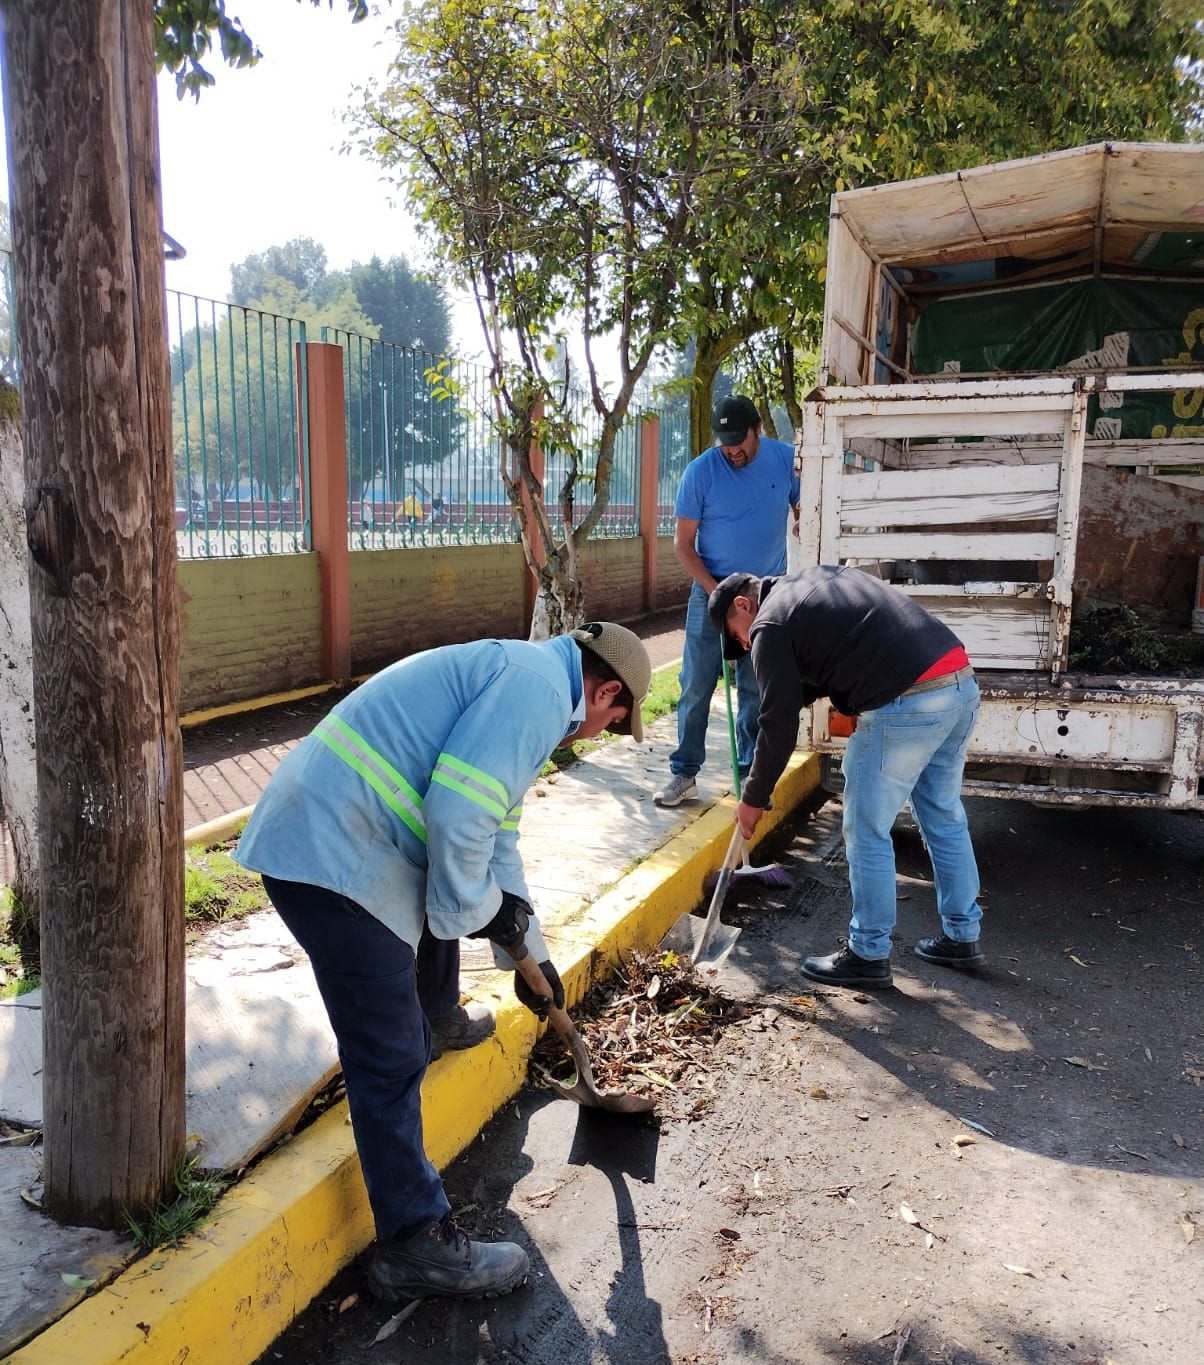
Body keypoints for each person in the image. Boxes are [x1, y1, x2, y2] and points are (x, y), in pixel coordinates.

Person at [235, 622, 652, 1302]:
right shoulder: (540, 692)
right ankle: (415, 1244)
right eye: (613, 720)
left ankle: (439, 1015)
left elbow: (496, 842)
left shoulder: (531, 681)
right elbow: (458, 818)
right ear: (605, 690)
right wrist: (486, 911)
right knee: (390, 1055)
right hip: (331, 854)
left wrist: (532, 961)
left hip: (349, 831)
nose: (601, 733)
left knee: (453, 899)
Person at [709, 567, 984, 990]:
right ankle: (961, 937)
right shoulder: (809, 586)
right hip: (959, 686)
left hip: (907, 703)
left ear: (743, 606)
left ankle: (868, 954)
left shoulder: (770, 622)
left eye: (739, 637)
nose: (747, 647)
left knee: (866, 830)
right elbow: (826, 668)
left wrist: (754, 796)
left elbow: (777, 723)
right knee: (944, 818)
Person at [653, 395, 799, 808]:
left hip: (763, 595)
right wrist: (715, 590)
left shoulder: (785, 460)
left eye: (739, 440)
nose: (732, 450)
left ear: (757, 430)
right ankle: (683, 774)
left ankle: (750, 777)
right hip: (711, 591)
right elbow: (683, 545)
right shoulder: (701, 472)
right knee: (696, 685)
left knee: (756, 687)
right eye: (725, 442)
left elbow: (808, 505)